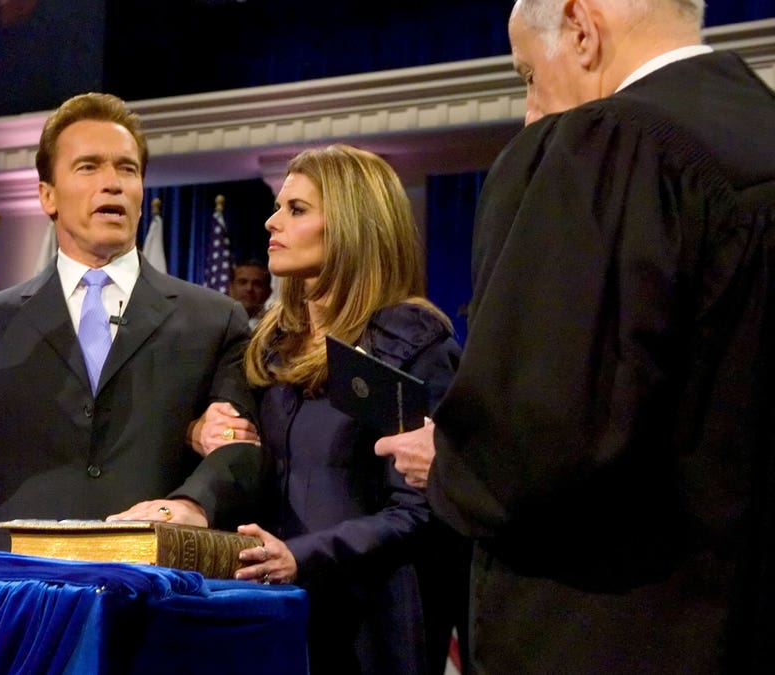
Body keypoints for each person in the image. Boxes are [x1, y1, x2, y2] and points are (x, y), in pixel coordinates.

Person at [374, 1, 775, 672]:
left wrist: (451, 460)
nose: (532, 111)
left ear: (581, 27)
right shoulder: (755, 129)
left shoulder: (610, 147)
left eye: (529, 75)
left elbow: (543, 434)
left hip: (622, 631)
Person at [0, 92, 261, 552]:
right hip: (17, 591)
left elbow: (242, 448)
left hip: (148, 583)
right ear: (47, 196)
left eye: (127, 168)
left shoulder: (213, 319)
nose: (112, 183)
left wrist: (192, 504)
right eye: (89, 167)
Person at [217, 145, 460, 674]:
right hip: (270, 618)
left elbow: (419, 512)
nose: (271, 221)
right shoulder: (270, 346)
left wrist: (298, 557)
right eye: (278, 206)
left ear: (352, 225)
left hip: (371, 628)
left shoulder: (411, 343)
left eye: (296, 209)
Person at [228, 259, 273, 330]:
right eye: (242, 282)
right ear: (231, 288)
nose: (249, 288)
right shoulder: (217, 322)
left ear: (268, 292)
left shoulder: (276, 328)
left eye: (257, 284)